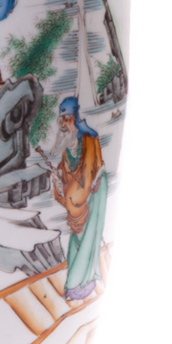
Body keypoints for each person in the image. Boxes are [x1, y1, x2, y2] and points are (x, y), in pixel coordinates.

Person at [50, 97, 108, 302]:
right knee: (77, 240)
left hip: (93, 194)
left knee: (88, 239)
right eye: (61, 120)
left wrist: (73, 194)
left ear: (75, 120)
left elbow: (90, 175)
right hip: (77, 203)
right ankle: (75, 285)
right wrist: (57, 179)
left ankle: (79, 285)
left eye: (67, 119)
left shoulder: (89, 143)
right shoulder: (67, 150)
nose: (63, 125)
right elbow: (66, 181)